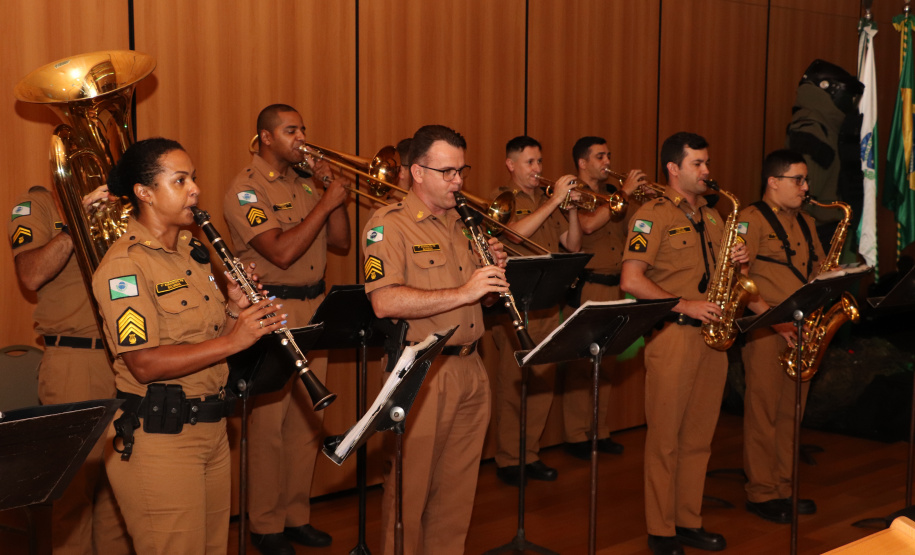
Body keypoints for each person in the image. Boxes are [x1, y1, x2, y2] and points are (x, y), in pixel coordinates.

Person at [92, 137, 281, 554]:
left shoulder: (192, 253)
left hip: (212, 428)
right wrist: (236, 340)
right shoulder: (125, 266)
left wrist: (235, 310)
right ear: (144, 193)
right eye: (179, 180)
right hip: (161, 438)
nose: (195, 189)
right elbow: (143, 363)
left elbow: (206, 340)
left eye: (193, 178)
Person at [363, 124, 508, 554]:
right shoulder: (389, 226)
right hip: (421, 372)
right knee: (410, 494)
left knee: (456, 495)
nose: (458, 182)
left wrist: (494, 274)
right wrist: (465, 291)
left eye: (461, 171)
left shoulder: (465, 223)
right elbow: (384, 302)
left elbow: (479, 301)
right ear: (416, 173)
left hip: (470, 365)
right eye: (447, 172)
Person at [222, 104, 349, 555]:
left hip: (315, 304)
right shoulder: (245, 189)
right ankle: (265, 525)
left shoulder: (302, 183)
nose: (302, 138)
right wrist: (326, 202)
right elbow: (279, 252)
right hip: (271, 309)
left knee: (307, 420)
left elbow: (340, 241)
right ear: (266, 137)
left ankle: (297, 515)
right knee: (268, 424)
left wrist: (331, 193)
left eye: (303, 129)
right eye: (291, 130)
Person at [621, 132, 747, 555]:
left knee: (699, 438)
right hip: (674, 335)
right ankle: (661, 530)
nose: (707, 171)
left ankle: (688, 520)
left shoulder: (714, 217)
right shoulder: (651, 214)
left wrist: (738, 260)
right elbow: (632, 280)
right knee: (666, 440)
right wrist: (684, 305)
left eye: (707, 162)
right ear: (673, 168)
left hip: (712, 337)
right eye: (697, 164)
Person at [9, 185, 131, 555]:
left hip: (127, 360)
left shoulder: (120, 210)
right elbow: (29, 275)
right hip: (74, 361)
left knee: (118, 491)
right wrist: (76, 224)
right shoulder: (36, 205)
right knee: (74, 494)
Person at [489, 135, 581, 486]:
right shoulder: (503, 198)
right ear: (511, 165)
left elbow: (572, 245)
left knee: (542, 382)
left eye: (540, 162)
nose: (538, 169)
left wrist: (569, 209)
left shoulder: (548, 201)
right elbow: (511, 236)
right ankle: (509, 459)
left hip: (547, 303)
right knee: (513, 383)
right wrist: (555, 199)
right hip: (514, 305)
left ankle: (530, 455)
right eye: (530, 162)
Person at [739, 149, 825, 524]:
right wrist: (775, 322)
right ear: (773, 182)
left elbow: (818, 269)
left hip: (802, 330)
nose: (806, 188)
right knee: (763, 413)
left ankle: (784, 487)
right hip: (767, 330)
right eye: (798, 180)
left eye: (806, 181)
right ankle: (761, 492)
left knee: (791, 412)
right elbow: (741, 282)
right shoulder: (749, 220)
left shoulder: (806, 221)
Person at [561, 136, 644, 460]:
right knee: (583, 365)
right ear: (582, 163)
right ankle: (575, 435)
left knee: (607, 362)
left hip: (616, 285)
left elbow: (631, 231)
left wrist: (639, 201)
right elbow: (588, 226)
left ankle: (599, 431)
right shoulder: (576, 194)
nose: (607, 161)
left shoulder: (612, 195)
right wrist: (623, 195)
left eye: (608, 154)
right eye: (599, 156)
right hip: (589, 287)